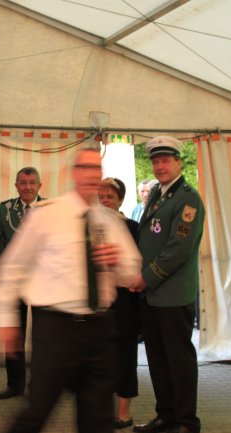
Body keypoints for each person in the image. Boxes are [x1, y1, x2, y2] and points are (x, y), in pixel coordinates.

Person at [0, 148, 142, 433]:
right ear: (74, 173)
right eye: (85, 168)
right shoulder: (47, 214)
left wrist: (117, 263)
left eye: (96, 169)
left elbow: (132, 275)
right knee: (37, 411)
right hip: (56, 330)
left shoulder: (110, 221)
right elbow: (12, 267)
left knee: (98, 419)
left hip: (100, 330)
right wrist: (5, 319)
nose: (91, 175)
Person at [132, 137, 205, 433]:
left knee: (179, 362)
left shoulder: (188, 198)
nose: (160, 166)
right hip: (151, 295)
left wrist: (145, 277)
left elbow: (178, 249)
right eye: (155, 161)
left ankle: (187, 421)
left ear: (178, 162)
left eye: (165, 160)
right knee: (158, 360)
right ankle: (166, 416)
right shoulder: (157, 194)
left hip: (172, 295)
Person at [0, 167, 45, 400]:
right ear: (16, 185)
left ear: (39, 185)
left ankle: (40, 386)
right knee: (14, 335)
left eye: (32, 182)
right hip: (14, 282)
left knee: (42, 336)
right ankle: (14, 385)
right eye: (23, 182)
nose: (28, 187)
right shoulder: (4, 210)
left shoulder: (50, 210)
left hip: (43, 282)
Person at [98, 178, 140, 429]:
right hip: (100, 303)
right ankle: (103, 410)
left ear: (120, 200)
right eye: (101, 196)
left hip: (125, 302)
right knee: (100, 360)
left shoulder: (132, 228)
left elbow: (138, 264)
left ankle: (124, 413)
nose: (105, 201)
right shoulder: (91, 226)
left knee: (125, 359)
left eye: (110, 197)